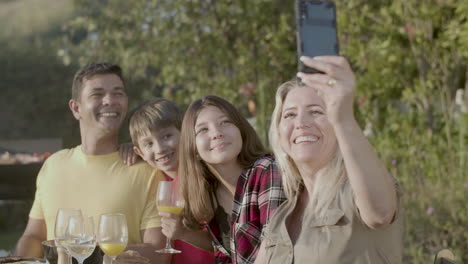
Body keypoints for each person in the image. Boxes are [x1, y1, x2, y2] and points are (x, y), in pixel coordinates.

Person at [15, 62, 170, 263]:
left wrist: (88, 253)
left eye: (118, 93)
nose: (110, 101)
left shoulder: (147, 171)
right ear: (76, 108)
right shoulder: (52, 165)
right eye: (97, 94)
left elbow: (159, 253)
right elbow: (34, 236)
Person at [254, 56, 403, 264]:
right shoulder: (279, 217)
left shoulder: (356, 190)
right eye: (289, 115)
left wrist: (344, 119)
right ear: (279, 133)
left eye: (316, 111)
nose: (301, 123)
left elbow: (380, 213)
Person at [173, 95, 286, 264]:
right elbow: (227, 256)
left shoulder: (267, 169)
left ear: (240, 129)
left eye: (225, 122)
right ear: (193, 148)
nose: (217, 133)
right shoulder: (210, 192)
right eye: (203, 130)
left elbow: (275, 247)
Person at [128, 97, 215, 263]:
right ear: (139, 153)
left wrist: (184, 232)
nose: (160, 149)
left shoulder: (207, 175)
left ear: (184, 132)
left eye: (167, 136)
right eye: (149, 144)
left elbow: (226, 241)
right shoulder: (159, 182)